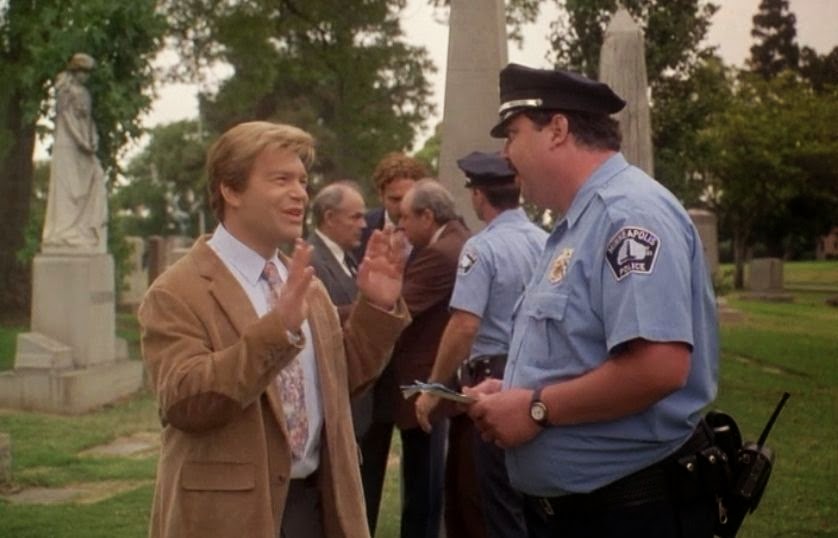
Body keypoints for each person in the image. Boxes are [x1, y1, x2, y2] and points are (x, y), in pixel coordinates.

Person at [466, 63, 719, 538]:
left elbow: (659, 367)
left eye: (513, 134)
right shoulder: (576, 224)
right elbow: (583, 350)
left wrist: (535, 407)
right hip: (585, 513)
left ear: (557, 129)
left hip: (631, 513)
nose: (505, 154)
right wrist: (516, 389)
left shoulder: (627, 215)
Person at [138, 121, 410, 538]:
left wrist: (375, 307)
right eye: (281, 179)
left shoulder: (305, 285)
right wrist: (276, 331)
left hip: (315, 509)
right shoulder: (176, 291)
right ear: (231, 190)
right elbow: (185, 402)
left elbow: (338, 381)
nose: (300, 193)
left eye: (302, 180)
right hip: (229, 519)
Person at [415, 151, 547, 538]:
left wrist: (434, 387)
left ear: (478, 195)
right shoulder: (545, 240)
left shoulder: (481, 248)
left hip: (491, 381)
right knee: (534, 501)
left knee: (491, 503)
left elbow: (464, 324)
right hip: (537, 377)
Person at [355, 152, 428, 535]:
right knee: (365, 472)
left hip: (418, 372)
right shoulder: (360, 229)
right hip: (372, 373)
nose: (401, 208)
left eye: (409, 198)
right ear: (381, 195)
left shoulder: (433, 229)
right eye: (394, 199)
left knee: (422, 479)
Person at [393, 179, 470, 538]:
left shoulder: (440, 254)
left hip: (425, 380)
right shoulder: (458, 240)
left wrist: (327, 312)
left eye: (405, 217)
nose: (400, 226)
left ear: (427, 216)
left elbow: (398, 308)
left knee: (421, 489)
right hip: (437, 380)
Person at [307, 180, 374, 442]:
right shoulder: (311, 261)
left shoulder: (348, 257)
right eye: (355, 217)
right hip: (332, 399)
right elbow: (316, 318)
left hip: (356, 398)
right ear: (329, 217)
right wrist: (369, 309)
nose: (363, 225)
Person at [42, 52, 107, 252]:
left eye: (88, 73)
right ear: (75, 71)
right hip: (68, 145)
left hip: (84, 145)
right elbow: (66, 119)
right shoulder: (66, 91)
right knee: (68, 189)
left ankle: (85, 231)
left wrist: (93, 138)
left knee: (95, 178)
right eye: (83, 71)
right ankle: (64, 232)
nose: (86, 76)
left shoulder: (85, 93)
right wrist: (81, 141)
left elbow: (88, 120)